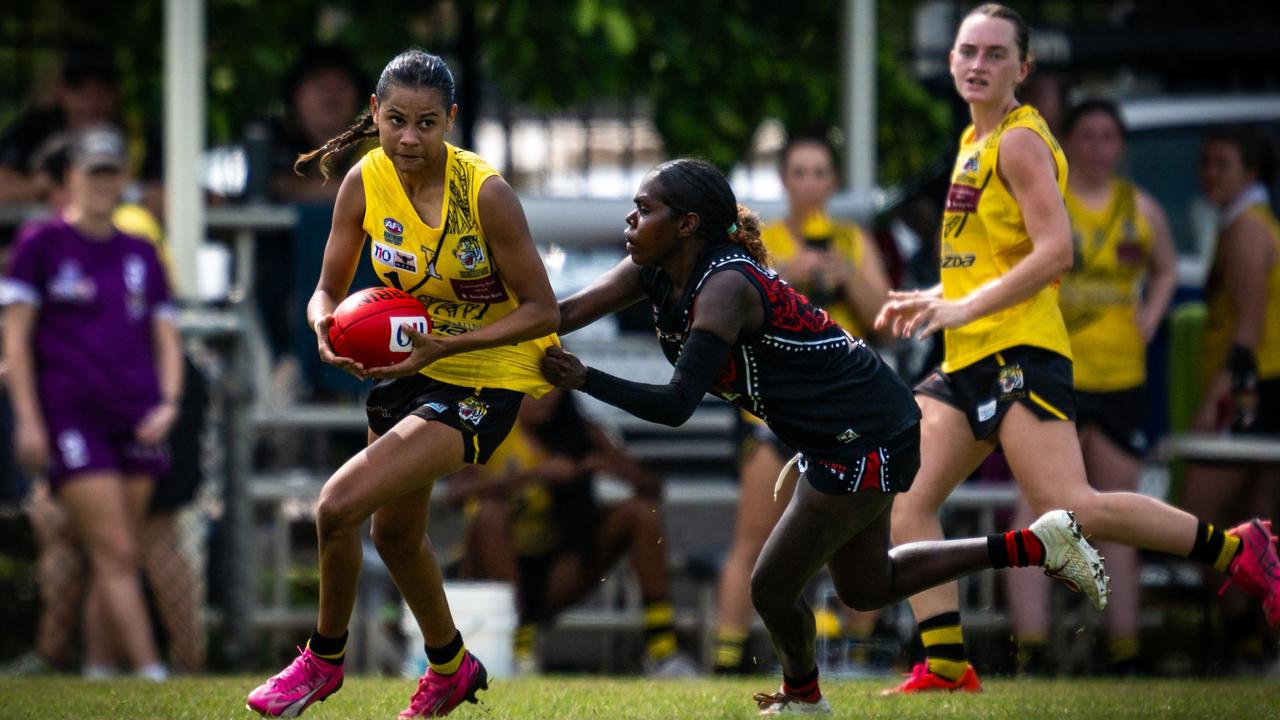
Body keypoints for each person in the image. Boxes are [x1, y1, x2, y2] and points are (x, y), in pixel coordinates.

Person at [540, 156, 1107, 716]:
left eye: (643, 210)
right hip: (847, 430)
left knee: (772, 587)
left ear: (687, 224)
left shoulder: (726, 287)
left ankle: (803, 697)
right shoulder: (655, 270)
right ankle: (1036, 544)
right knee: (867, 586)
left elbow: (675, 405)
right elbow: (561, 312)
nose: (629, 222)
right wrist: (469, 325)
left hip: (867, 433)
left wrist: (586, 378)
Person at [874, 4, 1280, 693]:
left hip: (1019, 356)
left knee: (1075, 507)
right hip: (969, 357)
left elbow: (1057, 251)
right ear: (950, 62)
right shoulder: (976, 141)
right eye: (968, 51)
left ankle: (1243, 549)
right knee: (910, 501)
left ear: (1023, 70)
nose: (978, 64)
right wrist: (940, 300)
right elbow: (986, 257)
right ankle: (944, 664)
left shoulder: (1020, 142)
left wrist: (963, 304)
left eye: (996, 54)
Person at [244, 49, 560, 718]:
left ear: (451, 120)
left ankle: (321, 663)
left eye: (425, 123)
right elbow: (326, 288)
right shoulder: (364, 180)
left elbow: (543, 309)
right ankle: (450, 666)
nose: (409, 138)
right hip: (408, 366)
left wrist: (451, 344)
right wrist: (326, 325)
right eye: (396, 121)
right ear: (374, 116)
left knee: (335, 506)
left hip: (483, 375)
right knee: (393, 535)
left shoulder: (486, 195)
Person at [1002, 99, 1178, 675]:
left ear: (1120, 146)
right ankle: (1030, 645)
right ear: (1069, 142)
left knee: (1116, 513)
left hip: (1122, 376)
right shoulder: (1050, 199)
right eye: (1088, 135)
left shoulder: (1142, 208)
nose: (1098, 147)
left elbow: (1168, 268)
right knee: (1033, 507)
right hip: (1058, 372)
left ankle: (1122, 646)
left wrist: (1151, 312)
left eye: (1109, 137)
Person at [1, 125, 182, 682]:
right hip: (72, 419)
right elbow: (16, 343)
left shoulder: (140, 252)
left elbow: (165, 336)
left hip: (136, 416)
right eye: (92, 171)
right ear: (70, 178)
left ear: (123, 179)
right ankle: (152, 672)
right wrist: (29, 421)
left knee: (111, 556)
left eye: (112, 172)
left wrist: (169, 403)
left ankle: (100, 669)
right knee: (117, 551)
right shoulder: (40, 245)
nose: (103, 183)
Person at [713, 132, 891, 675]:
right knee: (755, 538)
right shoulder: (761, 244)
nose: (810, 183)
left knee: (860, 536)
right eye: (800, 172)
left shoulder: (853, 240)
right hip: (775, 413)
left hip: (843, 415)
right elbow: (734, 310)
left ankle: (858, 649)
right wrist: (791, 277)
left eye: (820, 173)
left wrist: (848, 277)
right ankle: (727, 654)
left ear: (832, 182)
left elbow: (885, 317)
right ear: (784, 181)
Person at [448, 388, 697, 676]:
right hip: (488, 573)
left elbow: (653, 490)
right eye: (537, 388)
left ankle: (662, 651)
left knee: (641, 513)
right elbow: (456, 494)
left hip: (555, 568)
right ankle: (517, 650)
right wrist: (533, 476)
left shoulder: (582, 430)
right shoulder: (489, 429)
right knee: (491, 513)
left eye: (555, 388)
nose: (548, 396)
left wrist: (611, 466)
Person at [1181, 126, 1280, 669]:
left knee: (1196, 519)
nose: (1208, 174)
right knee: (1255, 520)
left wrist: (1212, 406)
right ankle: (1253, 642)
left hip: (1252, 389)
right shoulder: (1249, 222)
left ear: (1251, 170)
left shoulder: (1246, 229)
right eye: (1205, 163)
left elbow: (1246, 331)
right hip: (1263, 387)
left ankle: (1245, 633)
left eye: (1222, 163)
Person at [0, 46, 124, 205]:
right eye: (80, 91)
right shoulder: (32, 128)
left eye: (101, 91)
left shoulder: (125, 132)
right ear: (61, 91)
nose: (91, 103)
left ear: (116, 94)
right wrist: (43, 187)